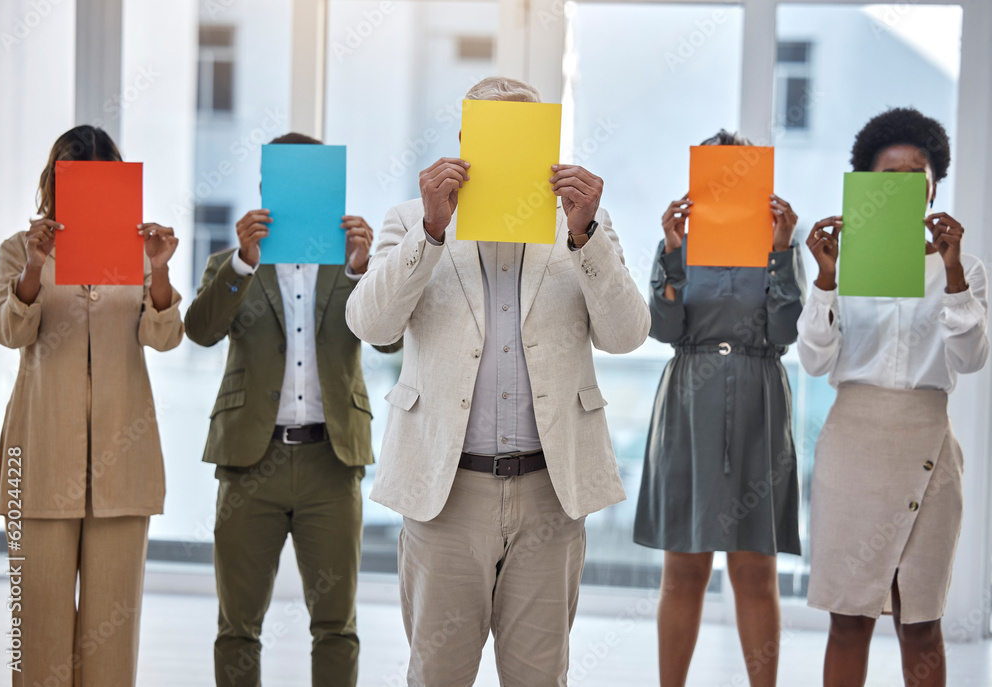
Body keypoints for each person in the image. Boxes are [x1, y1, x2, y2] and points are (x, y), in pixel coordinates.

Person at [345, 76, 649, 686]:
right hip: (445, 491)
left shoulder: (583, 224)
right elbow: (369, 323)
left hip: (549, 489)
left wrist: (585, 236)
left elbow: (626, 335)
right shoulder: (410, 219)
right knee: (439, 674)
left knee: (539, 677)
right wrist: (432, 230)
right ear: (464, 140)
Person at [184, 132, 400, 687]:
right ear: (264, 189)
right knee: (237, 625)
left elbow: (390, 342)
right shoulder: (231, 265)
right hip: (249, 463)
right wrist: (242, 264)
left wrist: (360, 272)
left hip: (331, 462)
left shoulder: (354, 267)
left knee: (336, 625)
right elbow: (200, 331)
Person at [797, 107, 989, 687]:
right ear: (867, 186)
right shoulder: (842, 263)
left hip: (929, 443)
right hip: (853, 445)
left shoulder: (967, 268)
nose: (906, 184)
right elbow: (814, 359)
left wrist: (953, 276)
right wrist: (826, 278)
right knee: (849, 618)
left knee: (921, 620)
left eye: (919, 173)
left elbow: (972, 359)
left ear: (934, 187)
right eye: (892, 174)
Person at [0, 125, 184, 686]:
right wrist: (34, 265)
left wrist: (162, 268)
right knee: (40, 645)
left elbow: (165, 337)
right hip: (42, 456)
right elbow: (8, 331)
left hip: (125, 466)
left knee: (110, 648)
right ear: (54, 182)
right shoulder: (18, 250)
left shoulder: (141, 253)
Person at [633, 130, 804, 686]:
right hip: (689, 401)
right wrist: (674, 253)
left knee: (756, 566)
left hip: (759, 400)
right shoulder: (678, 244)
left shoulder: (781, 243)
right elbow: (662, 329)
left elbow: (784, 329)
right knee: (684, 564)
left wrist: (780, 252)